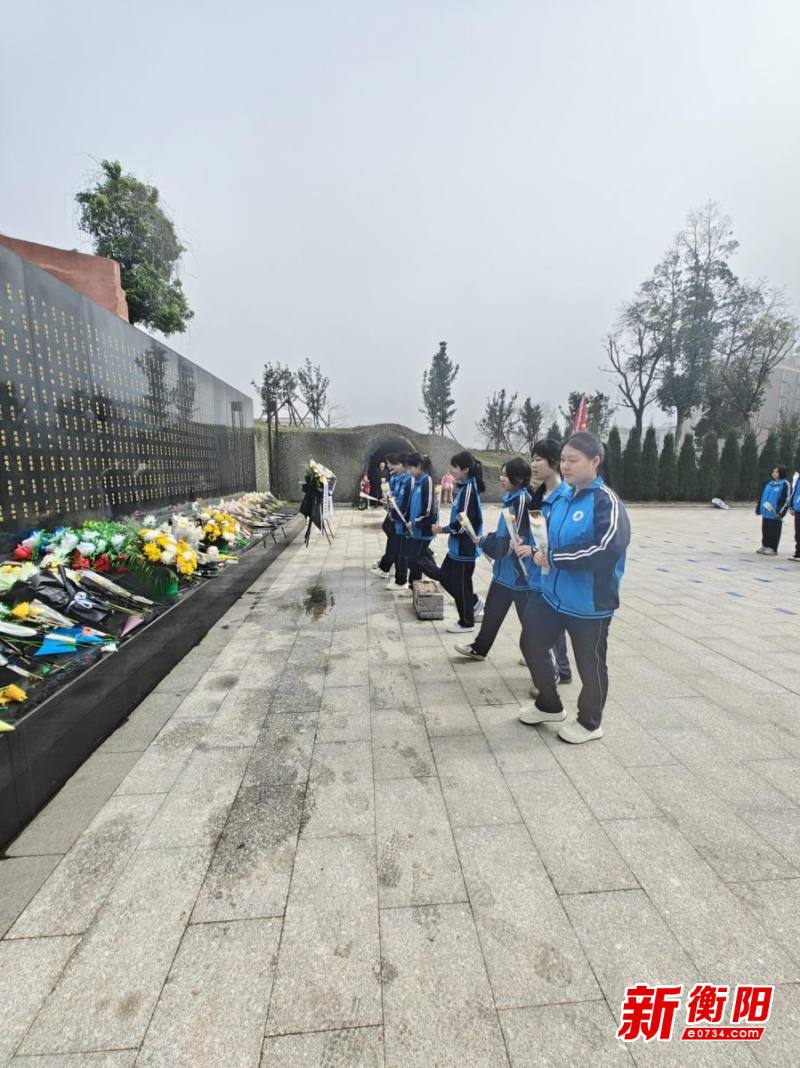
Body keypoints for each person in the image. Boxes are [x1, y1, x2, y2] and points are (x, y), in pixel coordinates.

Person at [517, 432, 630, 744]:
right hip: (552, 595)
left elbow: (605, 549)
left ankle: (590, 722)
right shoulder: (562, 498)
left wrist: (553, 557)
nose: (565, 466)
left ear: (595, 462)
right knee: (531, 642)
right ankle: (549, 704)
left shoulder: (606, 502)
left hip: (589, 603)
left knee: (589, 665)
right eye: (563, 460)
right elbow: (548, 539)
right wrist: (536, 550)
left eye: (573, 460)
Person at [452, 457, 542, 664]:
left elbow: (512, 541)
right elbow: (504, 533)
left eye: (505, 475)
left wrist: (485, 542)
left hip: (518, 575)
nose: (501, 478)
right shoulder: (512, 499)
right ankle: (479, 649)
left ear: (519, 478)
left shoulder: (521, 501)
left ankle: (544, 658)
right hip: (504, 573)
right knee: (492, 612)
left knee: (530, 621)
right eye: (501, 474)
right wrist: (486, 539)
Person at [529, 439, 573, 683]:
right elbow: (537, 535)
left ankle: (554, 672)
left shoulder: (566, 497)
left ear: (555, 462)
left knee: (547, 624)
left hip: (554, 573)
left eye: (539, 459)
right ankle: (562, 668)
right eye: (532, 459)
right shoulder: (539, 496)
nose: (533, 464)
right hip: (538, 572)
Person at [431, 451, 486, 633]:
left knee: (461, 585)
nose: (451, 470)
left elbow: (464, 523)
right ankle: (473, 603)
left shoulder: (469, 490)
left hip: (464, 548)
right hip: (457, 548)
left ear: (465, 469)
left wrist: (442, 529)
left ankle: (466, 622)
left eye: (454, 467)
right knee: (445, 578)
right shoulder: (463, 488)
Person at [403, 453, 439, 587]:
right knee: (413, 560)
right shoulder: (417, 481)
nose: (409, 471)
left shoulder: (427, 481)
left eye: (411, 468)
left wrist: (414, 523)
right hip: (415, 530)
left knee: (415, 559)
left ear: (419, 466)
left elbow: (428, 510)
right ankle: (414, 586)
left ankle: (442, 576)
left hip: (423, 529)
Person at [370, 454, 402, 577]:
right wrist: (387, 501)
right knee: (389, 532)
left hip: (399, 516)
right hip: (393, 511)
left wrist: (393, 511)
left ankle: (386, 565)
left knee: (395, 540)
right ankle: (386, 561)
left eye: (388, 463)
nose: (387, 465)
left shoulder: (407, 479)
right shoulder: (395, 476)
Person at [386, 454, 414, 591]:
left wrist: (394, 514)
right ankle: (400, 579)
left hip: (403, 523)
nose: (395, 466)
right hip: (398, 521)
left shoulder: (408, 481)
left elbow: (404, 504)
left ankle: (401, 581)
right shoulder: (401, 479)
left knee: (401, 553)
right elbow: (396, 499)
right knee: (399, 552)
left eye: (397, 464)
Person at [756, 465, 790, 555]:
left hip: (775, 514)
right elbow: (762, 496)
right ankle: (765, 545)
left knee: (774, 532)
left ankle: (773, 548)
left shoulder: (784, 484)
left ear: (782, 473)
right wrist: (759, 508)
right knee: (765, 531)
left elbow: (786, 499)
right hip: (766, 513)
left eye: (777, 472)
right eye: (773, 472)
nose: (774, 473)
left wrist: (780, 512)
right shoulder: (769, 483)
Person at [789, 468, 800, 561]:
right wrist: (792, 506)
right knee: (798, 533)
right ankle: (798, 553)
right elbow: (794, 492)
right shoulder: (798, 478)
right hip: (798, 509)